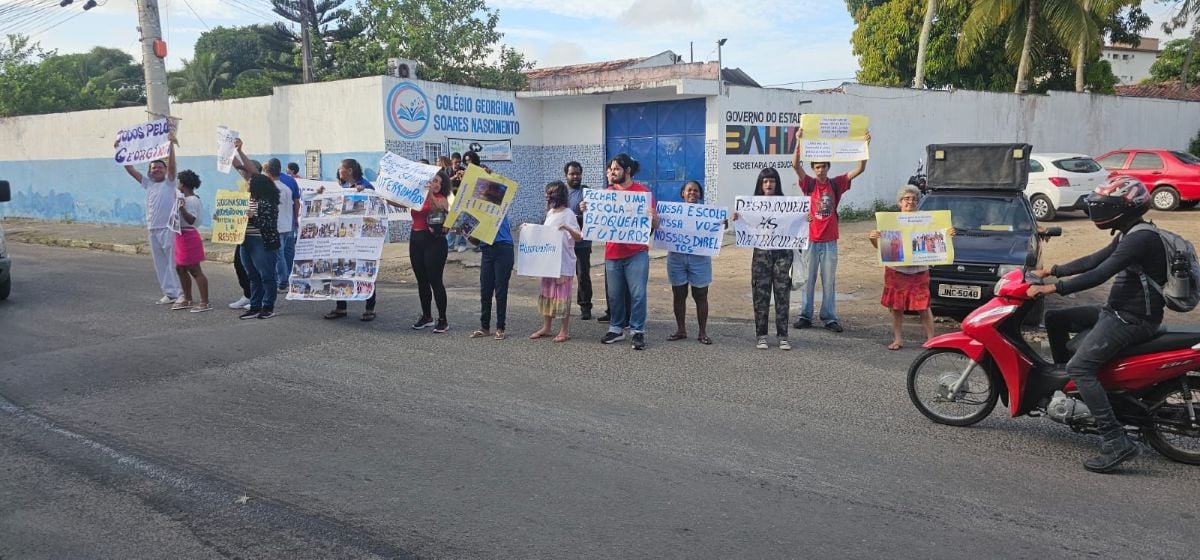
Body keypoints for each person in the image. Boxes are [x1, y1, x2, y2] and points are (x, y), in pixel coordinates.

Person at [1029, 176, 1165, 473]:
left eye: (1107, 206)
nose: (1099, 211)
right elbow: (1095, 258)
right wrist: (1052, 269)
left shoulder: (1141, 238)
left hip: (1131, 319)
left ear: (1125, 208)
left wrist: (1052, 288)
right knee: (1055, 318)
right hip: (1116, 310)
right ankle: (1073, 387)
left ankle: (1116, 441)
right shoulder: (1132, 232)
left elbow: (1100, 273)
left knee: (1081, 366)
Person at [791, 127, 871, 333]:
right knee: (808, 280)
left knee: (829, 281)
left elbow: (860, 170)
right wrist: (798, 142)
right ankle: (805, 315)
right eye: (817, 167)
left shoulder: (836, 184)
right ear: (814, 168)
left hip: (829, 240)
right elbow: (795, 165)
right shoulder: (808, 184)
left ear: (828, 167)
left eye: (823, 166)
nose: (820, 170)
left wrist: (865, 147)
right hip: (810, 239)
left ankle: (829, 317)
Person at [580, 153, 658, 350]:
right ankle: (616, 328)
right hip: (613, 253)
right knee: (614, 295)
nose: (611, 172)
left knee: (638, 294)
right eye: (609, 169)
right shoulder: (605, 195)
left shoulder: (643, 194)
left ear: (627, 171)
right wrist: (586, 210)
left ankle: (637, 331)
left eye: (615, 169)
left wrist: (654, 220)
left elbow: (651, 227)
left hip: (637, 253)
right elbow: (596, 222)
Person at [867, 185, 955, 350]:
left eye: (914, 199)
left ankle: (931, 339)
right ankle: (898, 339)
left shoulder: (927, 220)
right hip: (896, 271)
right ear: (900, 202)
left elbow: (939, 239)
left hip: (919, 271)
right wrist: (873, 238)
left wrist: (948, 234)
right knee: (896, 307)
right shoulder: (890, 222)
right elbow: (882, 248)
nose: (910, 202)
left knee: (923, 306)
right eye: (907, 199)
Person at [117, 127, 183, 305]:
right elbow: (130, 169)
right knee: (160, 263)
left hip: (168, 228)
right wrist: (119, 149)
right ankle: (169, 293)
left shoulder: (170, 183)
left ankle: (181, 293)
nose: (157, 170)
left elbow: (173, 166)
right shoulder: (147, 184)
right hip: (152, 228)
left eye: (160, 167)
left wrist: (170, 144)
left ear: (165, 170)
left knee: (173, 263)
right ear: (150, 171)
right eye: (154, 168)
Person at [740, 168, 794, 350]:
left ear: (777, 183)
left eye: (772, 181)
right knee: (760, 295)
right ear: (760, 184)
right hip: (761, 254)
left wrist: (806, 219)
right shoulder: (752, 204)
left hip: (783, 254)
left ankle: (783, 336)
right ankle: (761, 335)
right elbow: (745, 225)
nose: (769, 185)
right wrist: (737, 217)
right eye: (765, 181)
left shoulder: (788, 204)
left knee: (782, 295)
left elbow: (797, 224)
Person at [323, 158, 380, 321]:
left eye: (341, 168)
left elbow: (374, 208)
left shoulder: (365, 186)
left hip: (361, 239)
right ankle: (341, 306)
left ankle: (370, 307)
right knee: (340, 270)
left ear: (349, 170)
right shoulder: (344, 188)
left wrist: (364, 193)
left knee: (364, 271)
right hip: (345, 238)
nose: (339, 171)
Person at [527, 181, 583, 342]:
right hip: (548, 262)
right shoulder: (550, 213)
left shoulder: (569, 214)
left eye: (551, 193)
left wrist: (567, 228)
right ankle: (547, 326)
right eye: (547, 193)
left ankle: (564, 330)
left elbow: (578, 237)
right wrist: (528, 229)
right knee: (547, 294)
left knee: (562, 296)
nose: (547, 196)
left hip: (563, 263)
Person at [667, 180, 715, 345]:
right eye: (689, 190)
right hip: (677, 257)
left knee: (701, 295)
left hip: (700, 258)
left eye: (696, 191)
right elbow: (662, 227)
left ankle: (702, 332)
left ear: (700, 195)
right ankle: (681, 329)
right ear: (683, 193)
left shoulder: (707, 214)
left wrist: (721, 225)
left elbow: (716, 229)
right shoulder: (672, 213)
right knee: (679, 294)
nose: (692, 193)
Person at [410, 170, 452, 333]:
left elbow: (436, 207)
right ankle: (427, 316)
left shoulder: (442, 200)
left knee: (435, 280)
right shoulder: (418, 196)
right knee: (422, 281)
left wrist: (429, 193)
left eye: (437, 182)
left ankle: (443, 319)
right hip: (416, 239)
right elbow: (399, 201)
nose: (433, 184)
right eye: (432, 181)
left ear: (442, 186)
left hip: (434, 242)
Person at [240, 173, 282, 319]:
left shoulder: (267, 202)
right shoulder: (245, 201)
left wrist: (253, 218)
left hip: (261, 242)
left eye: (250, 183)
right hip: (245, 242)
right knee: (252, 276)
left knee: (267, 275)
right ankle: (255, 306)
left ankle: (268, 306)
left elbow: (269, 225)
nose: (247, 185)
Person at [227, 147, 262, 310]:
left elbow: (251, 171)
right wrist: (228, 149)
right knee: (239, 264)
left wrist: (239, 150)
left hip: (256, 233)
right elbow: (236, 165)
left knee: (256, 268)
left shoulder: (260, 184)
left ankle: (258, 298)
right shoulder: (243, 184)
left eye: (245, 170)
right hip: (241, 231)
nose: (242, 173)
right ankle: (248, 295)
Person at [470, 213, 514, 340]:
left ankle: (500, 328)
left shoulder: (499, 207)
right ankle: (484, 327)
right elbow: (475, 241)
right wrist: (465, 231)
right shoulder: (476, 213)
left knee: (500, 290)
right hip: (486, 250)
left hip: (503, 248)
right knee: (485, 290)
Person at [172, 170, 211, 312]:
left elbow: (191, 219)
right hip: (181, 236)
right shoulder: (186, 199)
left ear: (182, 184)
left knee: (195, 270)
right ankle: (187, 298)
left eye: (178, 182)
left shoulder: (191, 200)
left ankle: (204, 302)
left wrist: (181, 209)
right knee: (180, 268)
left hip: (189, 237)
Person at [564, 161, 595, 320]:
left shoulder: (587, 193)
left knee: (583, 275)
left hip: (582, 243)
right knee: (562, 276)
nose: (575, 176)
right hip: (564, 244)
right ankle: (561, 306)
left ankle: (585, 307)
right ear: (566, 175)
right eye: (572, 174)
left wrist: (582, 215)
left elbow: (594, 217)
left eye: (578, 173)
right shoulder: (562, 193)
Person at [265, 158, 301, 292]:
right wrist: (296, 218)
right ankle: (289, 277)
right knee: (288, 252)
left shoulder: (269, 185)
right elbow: (296, 202)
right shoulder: (289, 183)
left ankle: (283, 281)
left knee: (279, 254)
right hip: (289, 223)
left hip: (277, 225)